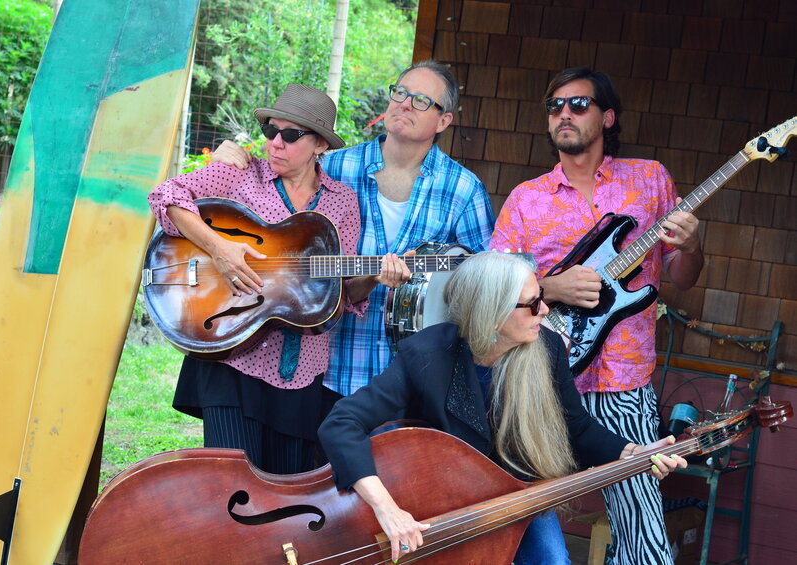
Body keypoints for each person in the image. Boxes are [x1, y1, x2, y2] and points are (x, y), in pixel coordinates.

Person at [318, 251, 687, 564]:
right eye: (531, 304)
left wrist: (635, 452)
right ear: (492, 314)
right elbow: (341, 423)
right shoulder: (428, 354)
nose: (545, 310)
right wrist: (388, 508)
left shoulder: (546, 347)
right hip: (444, 504)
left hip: (517, 492)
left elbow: (576, 427)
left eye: (541, 297)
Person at [490, 68, 704, 564]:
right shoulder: (526, 198)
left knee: (641, 520)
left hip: (623, 381)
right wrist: (548, 285)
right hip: (537, 375)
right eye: (554, 106)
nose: (564, 113)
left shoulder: (649, 179)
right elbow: (492, 287)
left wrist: (693, 246)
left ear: (607, 117)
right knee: (518, 508)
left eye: (578, 104)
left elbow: (683, 276)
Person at [211, 60, 496, 409]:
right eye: (400, 93)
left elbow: (483, 280)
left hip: (413, 378)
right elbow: (269, 216)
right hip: (328, 367)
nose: (404, 103)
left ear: (443, 121)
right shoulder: (334, 167)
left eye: (421, 100)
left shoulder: (464, 190)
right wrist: (233, 157)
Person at [147, 84, 368, 474]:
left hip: (301, 371)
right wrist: (219, 249)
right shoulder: (240, 174)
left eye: (290, 135)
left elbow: (343, 294)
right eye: (270, 131)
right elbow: (167, 196)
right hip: (232, 350)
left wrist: (377, 276)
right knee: (233, 486)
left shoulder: (343, 202)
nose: (275, 143)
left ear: (320, 145)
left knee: (285, 498)